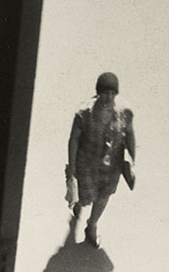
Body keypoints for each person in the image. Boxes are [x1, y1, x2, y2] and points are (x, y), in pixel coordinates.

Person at [65, 72, 135, 248]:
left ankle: (92, 225)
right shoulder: (84, 113)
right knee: (85, 197)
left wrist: (132, 161)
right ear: (98, 93)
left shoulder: (125, 112)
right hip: (87, 164)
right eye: (105, 93)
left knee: (104, 196)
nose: (109, 97)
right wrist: (72, 167)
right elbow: (73, 140)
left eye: (112, 94)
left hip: (112, 166)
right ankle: (80, 205)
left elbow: (130, 135)